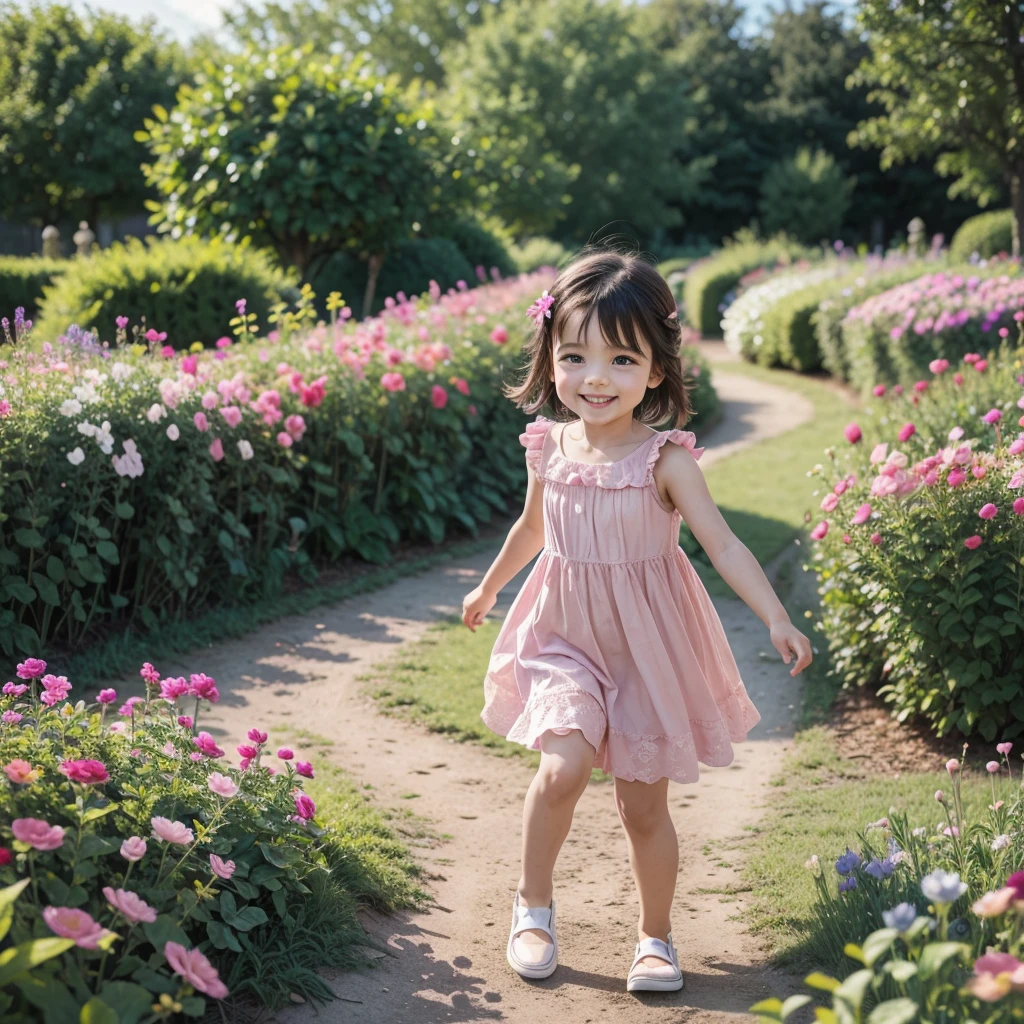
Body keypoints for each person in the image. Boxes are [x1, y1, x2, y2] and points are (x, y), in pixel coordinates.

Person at [460, 247, 814, 993]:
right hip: (563, 638)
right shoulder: (545, 447)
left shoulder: (666, 462)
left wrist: (777, 617)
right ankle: (532, 907)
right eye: (576, 355)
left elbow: (722, 543)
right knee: (561, 769)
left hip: (646, 648)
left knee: (640, 805)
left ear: (655, 371)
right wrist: (490, 587)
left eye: (622, 360)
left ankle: (655, 937)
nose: (596, 378)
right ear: (550, 356)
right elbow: (531, 531)